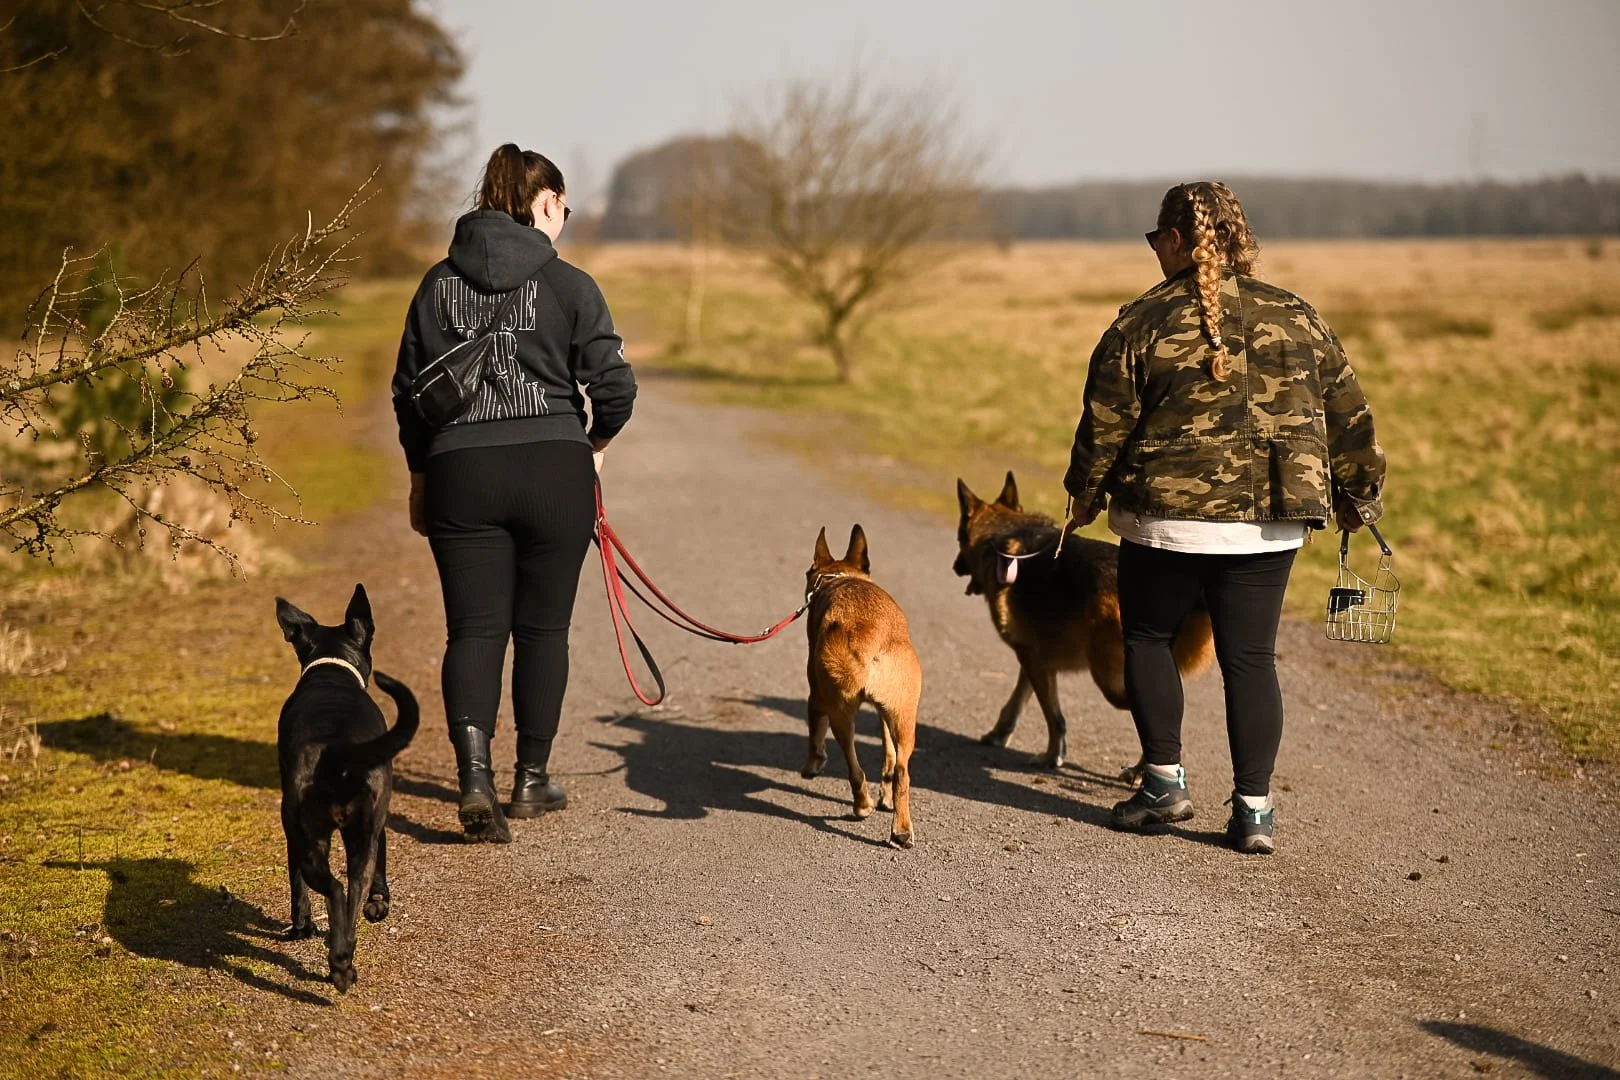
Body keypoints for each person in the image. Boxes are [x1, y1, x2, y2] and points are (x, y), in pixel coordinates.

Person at [1062, 181, 1384, 855]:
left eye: (1156, 240)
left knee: (1148, 637)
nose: (1154, 252)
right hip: (1269, 522)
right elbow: (1350, 415)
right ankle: (1255, 812)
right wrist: (1359, 494)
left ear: (1177, 240)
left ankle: (1162, 785)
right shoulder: (1298, 317)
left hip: (1165, 521)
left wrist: (1084, 493)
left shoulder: (1141, 321)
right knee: (1251, 660)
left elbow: (1104, 422)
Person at [391, 143, 637, 842]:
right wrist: (594, 447)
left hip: (460, 473)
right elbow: (615, 389)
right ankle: (531, 780)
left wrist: (420, 477)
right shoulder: (570, 284)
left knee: (473, 630)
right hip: (554, 469)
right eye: (564, 207)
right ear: (546, 203)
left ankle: (475, 780)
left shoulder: (435, 285)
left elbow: (408, 395)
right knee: (542, 631)